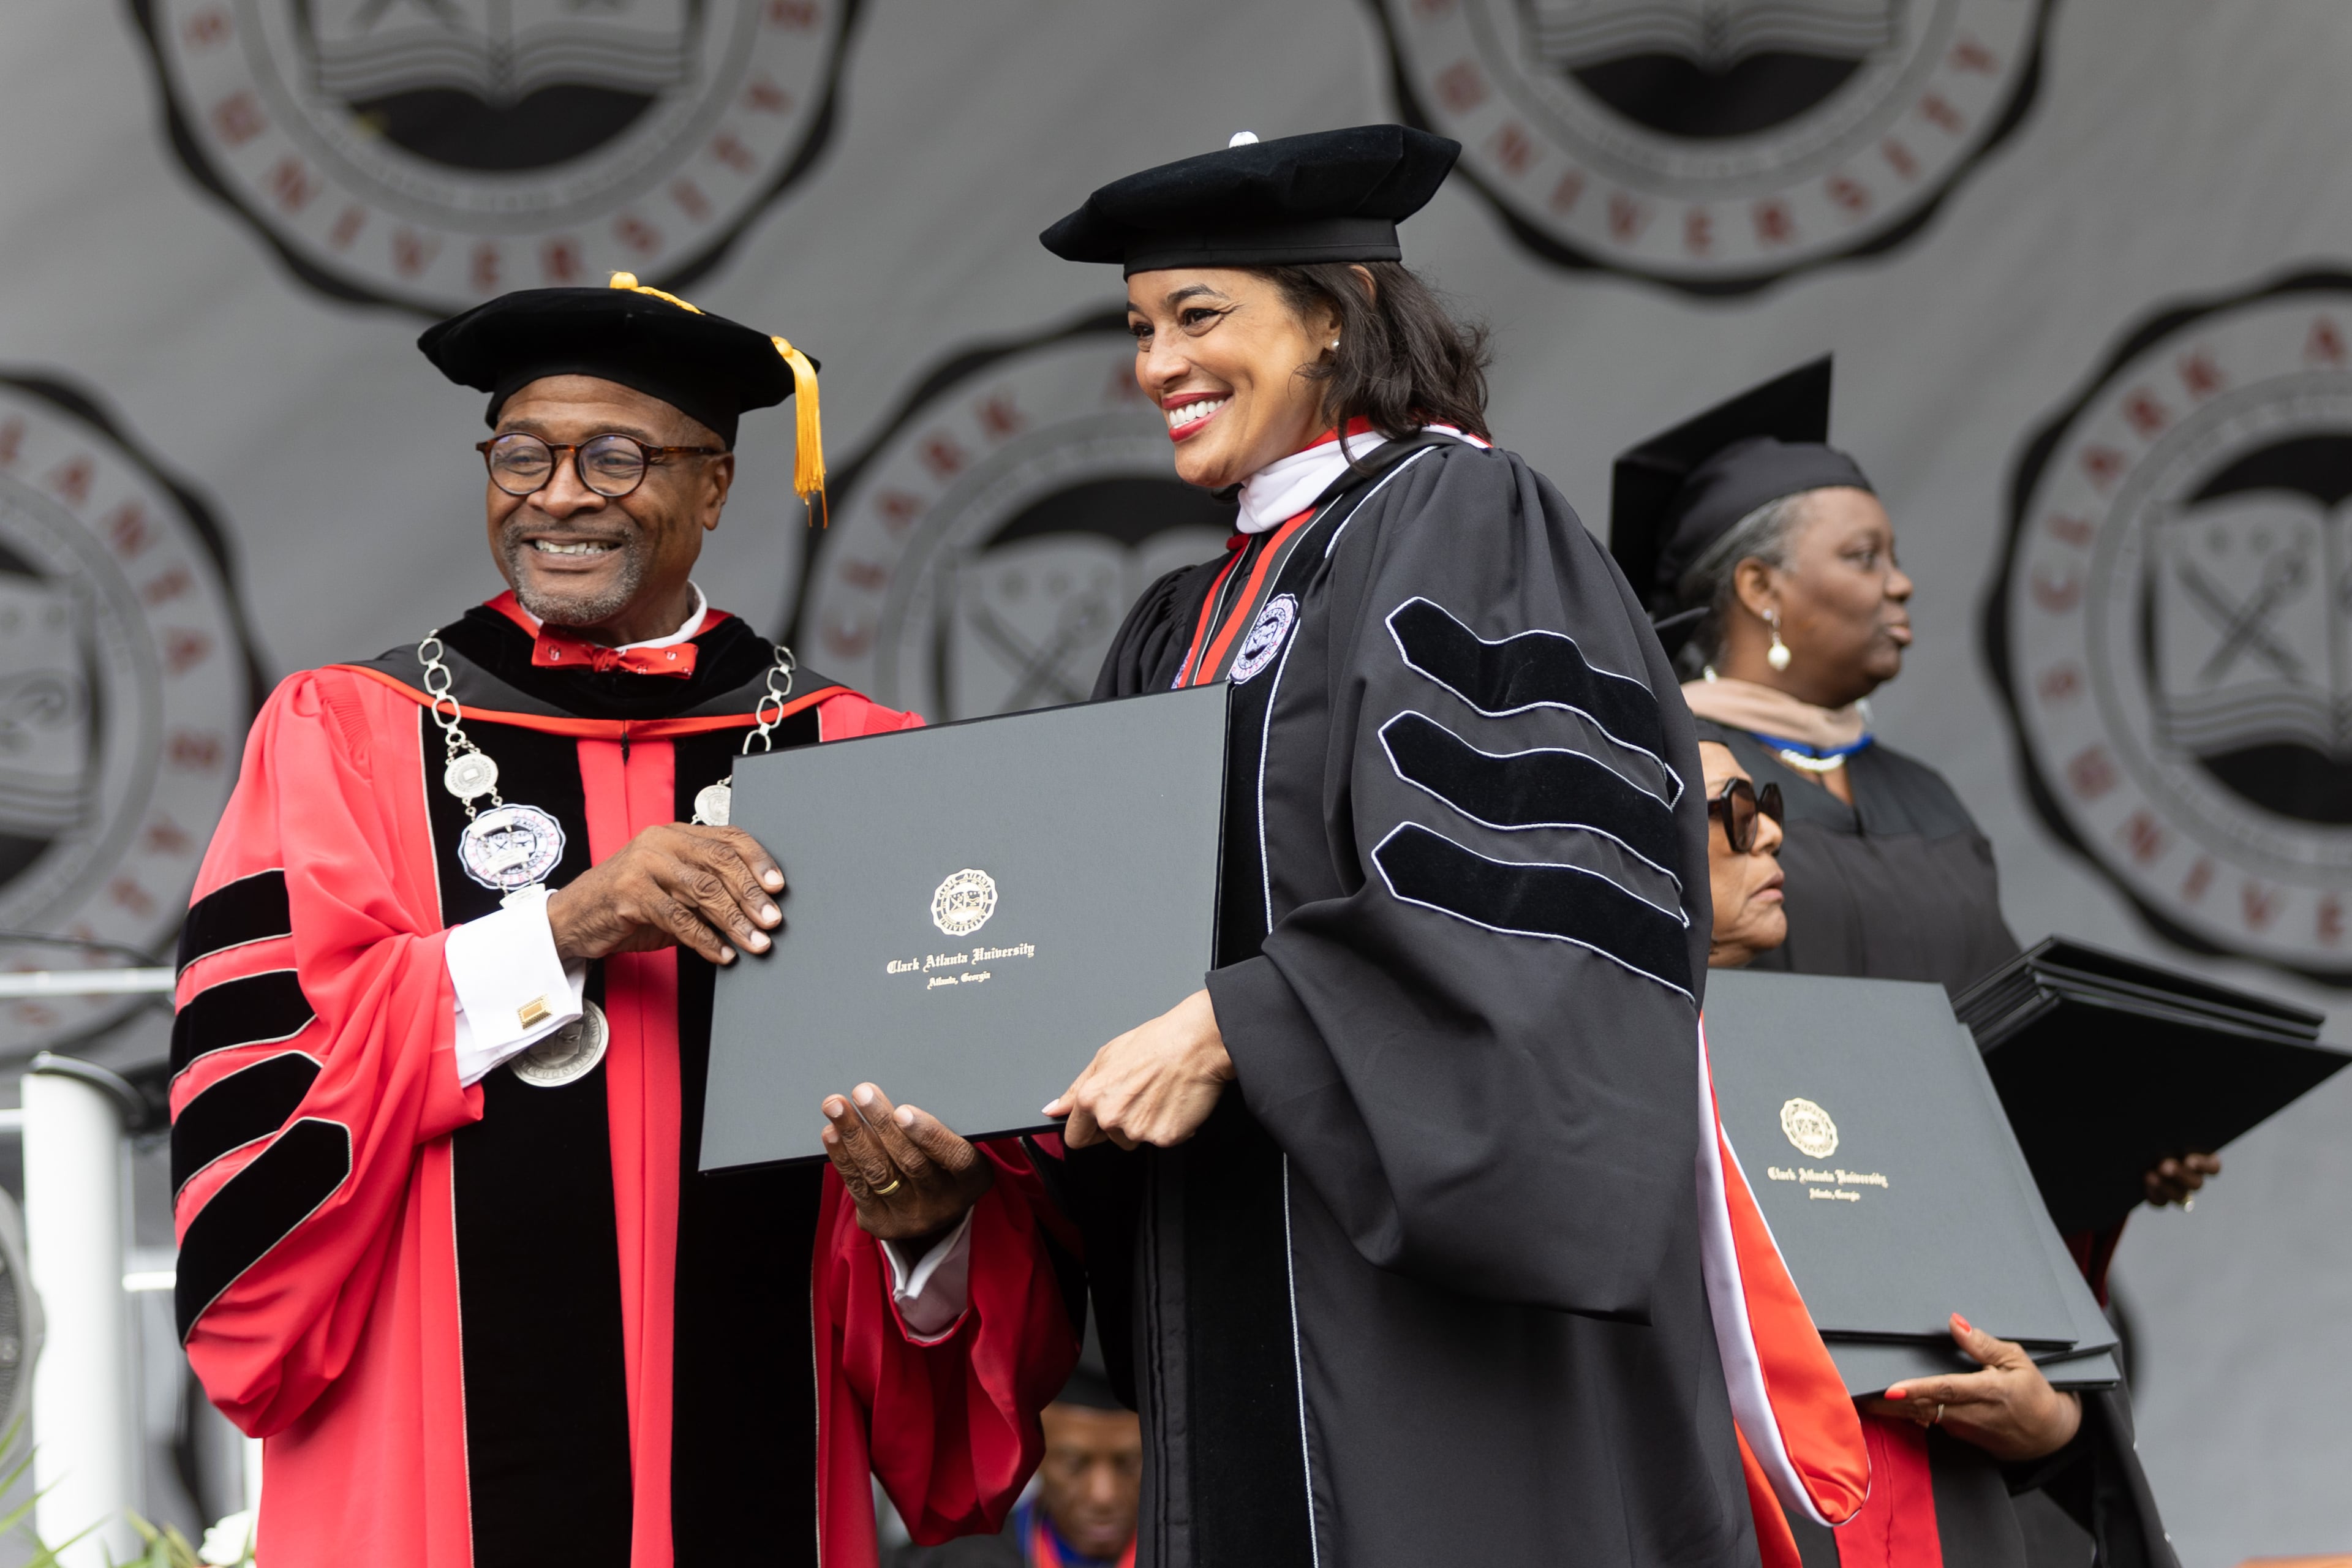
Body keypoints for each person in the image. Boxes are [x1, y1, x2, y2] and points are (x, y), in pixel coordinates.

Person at [1033, 126, 1866, 1568]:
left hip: (1427, 1310)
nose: (1155, 363)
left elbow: (1525, 893)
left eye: (1198, 316)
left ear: (1334, 314)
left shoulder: (1463, 517)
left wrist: (1243, 1019)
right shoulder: (1181, 614)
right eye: (1139, 328)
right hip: (1226, 1268)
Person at [170, 277, 1077, 1568]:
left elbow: (935, 1151)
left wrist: (929, 1226)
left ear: (713, 487)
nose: (559, 496)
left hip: (749, 1453)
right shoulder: (348, 735)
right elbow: (277, 1076)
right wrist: (566, 928)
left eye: (617, 456)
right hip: (431, 1485)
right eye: (522, 454)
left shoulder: (856, 759)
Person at [1626, 369, 2187, 1568]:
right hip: (1772, 1292)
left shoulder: (1916, 791)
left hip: (1949, 1290)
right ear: (1761, 587)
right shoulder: (1669, 774)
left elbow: (1987, 1056)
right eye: (1864, 554)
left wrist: (2115, 1132)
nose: (1902, 581)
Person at [894, 1351, 1142, 1568]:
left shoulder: (1177, 1554)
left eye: (1130, 1463)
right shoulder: (952, 1560)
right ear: (1035, 1455)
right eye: (1073, 1464)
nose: (1103, 1496)